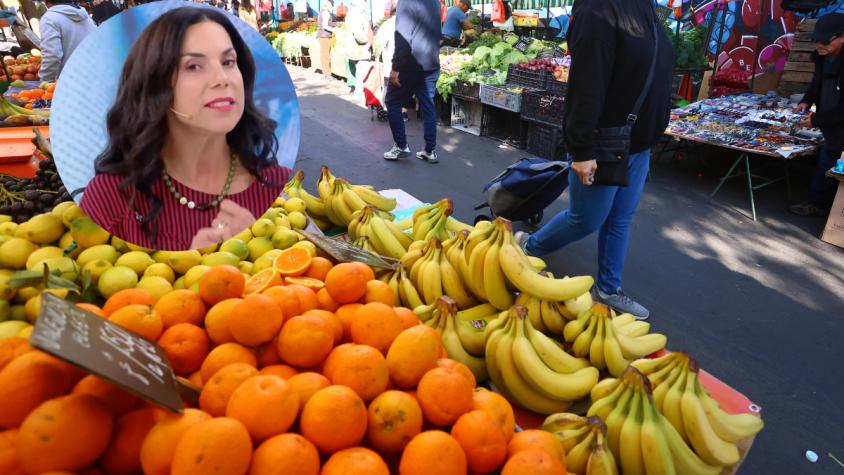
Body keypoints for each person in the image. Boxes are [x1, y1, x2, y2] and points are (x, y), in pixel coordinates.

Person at [80, 7, 289, 251]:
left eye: (228, 62)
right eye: (194, 66)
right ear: (153, 83)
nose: (223, 78)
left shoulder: (277, 186)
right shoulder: (112, 196)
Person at [515, 0, 673, 320]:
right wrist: (582, 150)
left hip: (638, 144)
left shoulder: (644, 7)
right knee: (585, 219)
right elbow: (586, 86)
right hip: (604, 142)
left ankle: (608, 289)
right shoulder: (597, 10)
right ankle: (527, 249)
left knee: (620, 219)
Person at [789, 13, 844, 217]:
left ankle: (820, 204)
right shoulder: (823, 56)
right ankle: (821, 203)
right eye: (817, 40)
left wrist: (816, 120)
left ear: (842, 38)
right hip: (830, 116)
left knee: (829, 159)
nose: (819, 45)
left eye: (825, 41)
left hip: (839, 121)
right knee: (828, 158)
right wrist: (807, 100)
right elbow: (817, 81)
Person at [382, 0, 440, 162]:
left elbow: (403, 38)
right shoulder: (434, 2)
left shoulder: (407, 2)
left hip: (411, 64)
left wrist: (396, 68)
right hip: (431, 61)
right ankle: (430, 150)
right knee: (427, 105)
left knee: (392, 100)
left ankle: (401, 146)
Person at [38, 0, 97, 82]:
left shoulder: (49, 18)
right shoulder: (86, 17)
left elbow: (52, 55)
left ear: (46, 2)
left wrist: (45, 81)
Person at [343, 0, 372, 94]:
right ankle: (359, 93)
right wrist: (369, 39)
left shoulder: (351, 13)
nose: (366, 4)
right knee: (361, 72)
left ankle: (356, 90)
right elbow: (359, 35)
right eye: (365, 2)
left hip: (352, 48)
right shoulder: (356, 15)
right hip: (359, 49)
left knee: (355, 70)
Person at [316, 0, 336, 79]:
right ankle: (327, 74)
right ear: (329, 4)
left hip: (322, 35)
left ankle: (326, 73)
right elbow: (325, 26)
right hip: (324, 36)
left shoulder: (322, 11)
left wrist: (334, 24)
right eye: (332, 6)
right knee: (326, 55)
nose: (332, 8)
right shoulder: (326, 12)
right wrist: (335, 30)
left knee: (324, 54)